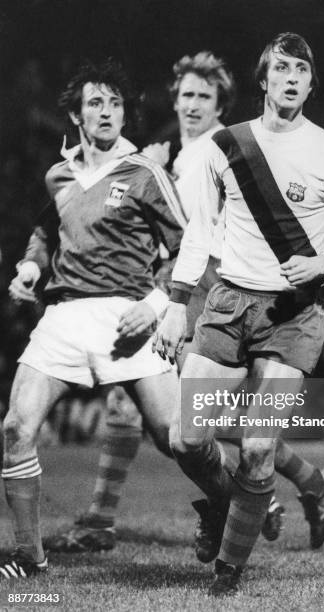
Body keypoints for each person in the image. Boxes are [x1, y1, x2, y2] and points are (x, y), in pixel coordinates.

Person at [44, 50, 324, 558]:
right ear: (174, 98)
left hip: (214, 292)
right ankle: (302, 485)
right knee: (153, 405)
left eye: (205, 96)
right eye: (186, 95)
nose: (193, 104)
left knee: (194, 415)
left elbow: (200, 232)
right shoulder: (178, 155)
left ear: (221, 104)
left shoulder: (226, 148)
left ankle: (265, 491)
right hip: (182, 287)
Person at [153, 32, 324, 595]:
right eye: (281, 68)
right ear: (263, 80)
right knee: (185, 437)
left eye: (301, 70)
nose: (290, 78)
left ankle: (228, 572)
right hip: (229, 304)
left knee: (257, 444)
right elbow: (200, 233)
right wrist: (176, 305)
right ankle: (233, 504)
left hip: (294, 314)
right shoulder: (223, 146)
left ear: (310, 83)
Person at [0, 59, 186, 580]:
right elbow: (46, 233)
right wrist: (31, 267)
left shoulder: (144, 172)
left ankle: (229, 500)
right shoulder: (58, 173)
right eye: (96, 103)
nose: (107, 112)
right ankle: (29, 558)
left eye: (115, 103)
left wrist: (154, 305)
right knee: (16, 427)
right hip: (63, 315)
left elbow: (185, 247)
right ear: (77, 117)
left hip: (126, 315)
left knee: (176, 440)